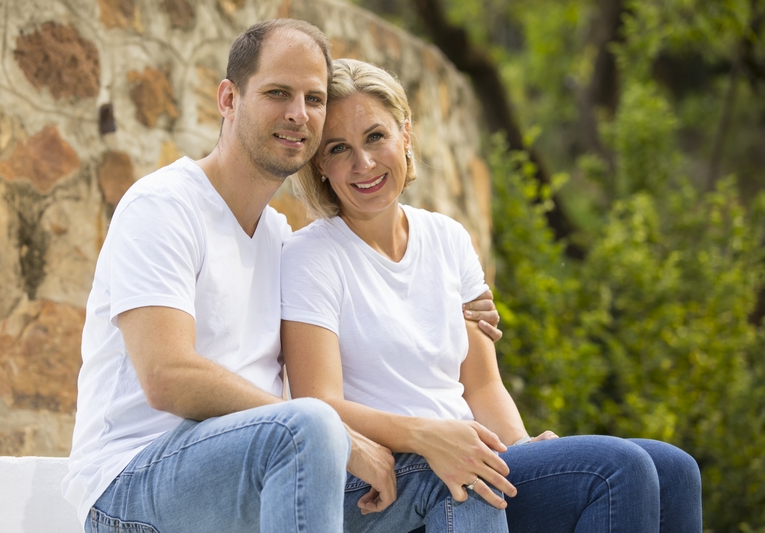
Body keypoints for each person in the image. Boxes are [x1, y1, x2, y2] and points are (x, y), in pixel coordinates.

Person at [63, 19, 500, 533]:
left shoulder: (278, 238)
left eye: (314, 99)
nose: (298, 113)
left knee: (462, 476)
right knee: (310, 426)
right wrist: (336, 433)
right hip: (131, 485)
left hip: (252, 475)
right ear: (228, 99)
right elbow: (167, 376)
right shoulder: (164, 205)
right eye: (278, 93)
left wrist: (463, 308)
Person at [280, 58, 704, 533]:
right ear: (320, 164)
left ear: (406, 134)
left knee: (675, 470)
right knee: (618, 469)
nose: (364, 163)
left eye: (375, 136)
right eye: (339, 148)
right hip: (399, 479)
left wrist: (520, 445)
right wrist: (430, 436)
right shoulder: (311, 256)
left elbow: (481, 385)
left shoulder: (448, 238)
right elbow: (319, 403)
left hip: (475, 459)